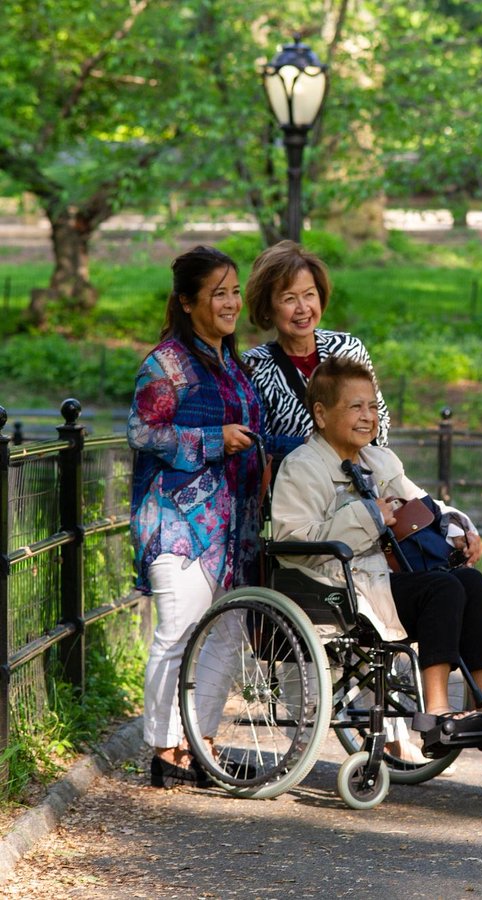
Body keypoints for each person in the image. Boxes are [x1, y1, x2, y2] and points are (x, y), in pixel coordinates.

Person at [269, 356, 482, 759]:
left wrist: (460, 531)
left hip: (388, 573)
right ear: (321, 413)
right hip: (337, 584)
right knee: (441, 589)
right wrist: (367, 516)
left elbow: (426, 506)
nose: (368, 417)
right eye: (355, 407)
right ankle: (436, 713)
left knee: (471, 582)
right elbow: (295, 540)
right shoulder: (302, 468)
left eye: (372, 406)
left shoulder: (379, 460)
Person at [128, 246, 286, 788]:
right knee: (178, 632)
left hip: (234, 526)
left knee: (225, 633)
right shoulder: (166, 363)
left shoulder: (235, 366)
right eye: (218, 293)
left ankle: (202, 745)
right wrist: (212, 440)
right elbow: (144, 433)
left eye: (235, 291)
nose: (231, 302)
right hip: (177, 521)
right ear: (187, 302)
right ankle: (164, 750)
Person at [242, 240, 391, 444]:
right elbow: (257, 444)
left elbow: (379, 418)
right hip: (294, 475)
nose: (303, 308)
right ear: (267, 308)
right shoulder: (253, 367)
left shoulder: (348, 349)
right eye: (289, 299)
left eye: (309, 295)